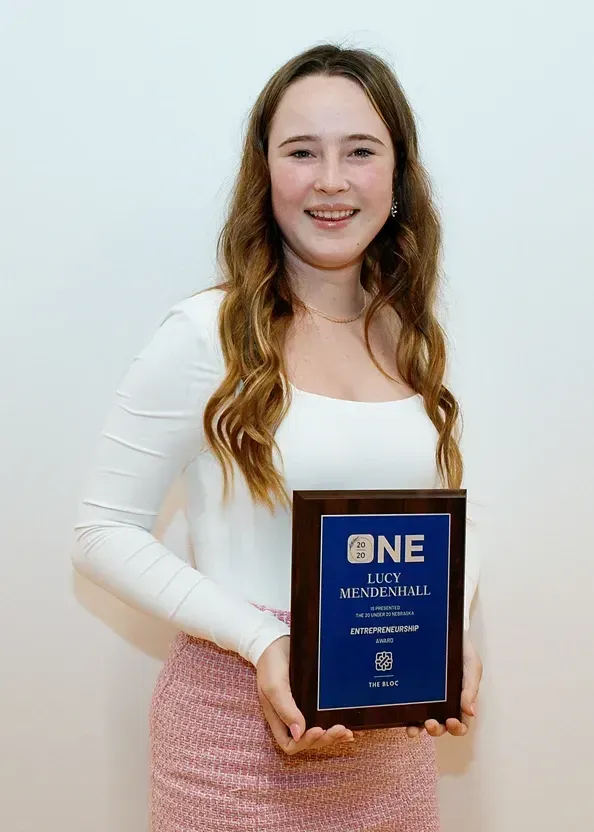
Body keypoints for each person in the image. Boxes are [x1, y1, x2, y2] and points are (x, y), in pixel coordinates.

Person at [73, 42, 482, 832]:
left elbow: (459, 519)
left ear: (397, 177)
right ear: (266, 175)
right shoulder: (204, 334)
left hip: (392, 744)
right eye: (303, 152)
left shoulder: (416, 337)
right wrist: (264, 641)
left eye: (360, 151)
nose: (331, 180)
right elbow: (100, 531)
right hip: (235, 745)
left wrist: (454, 631)